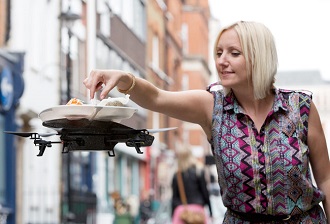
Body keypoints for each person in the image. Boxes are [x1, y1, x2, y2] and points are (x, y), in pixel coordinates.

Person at [83, 21, 330, 223]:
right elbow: (157, 97)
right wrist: (124, 79)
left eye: (234, 53)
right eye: (219, 53)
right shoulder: (212, 106)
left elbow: (326, 180)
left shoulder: (300, 107)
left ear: (259, 57)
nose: (222, 60)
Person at [171, 146, 212, 223]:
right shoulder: (199, 172)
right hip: (198, 211)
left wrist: (172, 214)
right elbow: (205, 194)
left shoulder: (177, 175)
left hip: (181, 212)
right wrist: (210, 212)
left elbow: (174, 198)